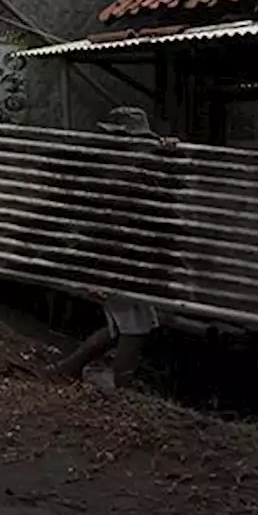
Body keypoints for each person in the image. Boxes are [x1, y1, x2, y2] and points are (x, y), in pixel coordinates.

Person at [48, 106, 177, 388]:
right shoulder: (117, 169)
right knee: (135, 327)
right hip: (115, 260)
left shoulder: (116, 163)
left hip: (119, 258)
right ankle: (121, 386)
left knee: (126, 324)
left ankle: (68, 368)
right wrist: (165, 156)